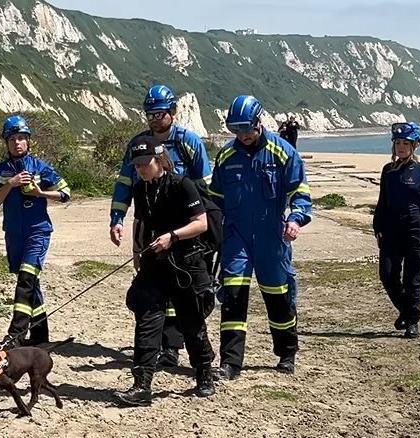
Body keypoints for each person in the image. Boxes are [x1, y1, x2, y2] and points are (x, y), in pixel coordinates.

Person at [208, 95, 312, 380]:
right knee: (233, 296)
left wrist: (295, 218)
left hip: (271, 237)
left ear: (259, 122)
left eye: (246, 129)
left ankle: (286, 353)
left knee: (277, 296)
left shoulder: (284, 152)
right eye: (236, 130)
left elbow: (300, 193)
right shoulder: (227, 156)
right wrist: (209, 232)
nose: (242, 136)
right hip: (236, 237)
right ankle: (230, 363)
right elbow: (214, 200)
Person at [108, 84, 213, 368]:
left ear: (172, 113)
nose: (155, 119)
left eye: (160, 113)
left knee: (184, 289)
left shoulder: (188, 141)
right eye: (150, 114)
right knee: (150, 287)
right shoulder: (137, 144)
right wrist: (116, 219)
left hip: (183, 227)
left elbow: (206, 186)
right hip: (149, 223)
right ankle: (164, 347)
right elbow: (125, 183)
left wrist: (211, 226)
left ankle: (180, 346)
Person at [113, 136, 216, 405]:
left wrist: (173, 236)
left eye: (144, 164)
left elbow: (201, 224)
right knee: (147, 320)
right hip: (154, 264)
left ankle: (204, 373)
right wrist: (137, 252)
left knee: (191, 322)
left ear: (159, 160)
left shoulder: (183, 185)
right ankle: (142, 385)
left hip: (185, 264)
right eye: (136, 165)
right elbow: (140, 221)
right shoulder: (141, 188)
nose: (140, 169)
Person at [0, 115, 71, 348]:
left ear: (28, 141)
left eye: (22, 138)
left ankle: (15, 335)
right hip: (13, 232)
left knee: (26, 277)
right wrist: (10, 183)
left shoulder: (41, 167)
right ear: (6, 142)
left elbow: (65, 194)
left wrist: (40, 194)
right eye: (12, 139)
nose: (17, 143)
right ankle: (40, 333)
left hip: (38, 231)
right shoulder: (0, 170)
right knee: (30, 282)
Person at [372, 122, 420, 339]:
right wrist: (377, 227)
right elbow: (382, 200)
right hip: (391, 229)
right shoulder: (388, 171)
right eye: (397, 143)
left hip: (415, 228)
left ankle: (412, 321)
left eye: (405, 143)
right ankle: (407, 310)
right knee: (387, 274)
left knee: (412, 278)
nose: (400, 147)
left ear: (415, 145)